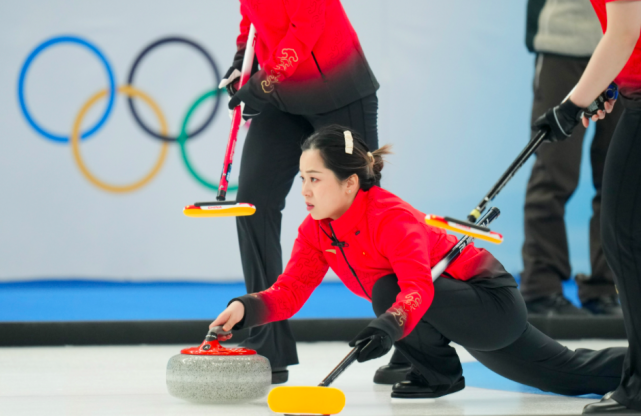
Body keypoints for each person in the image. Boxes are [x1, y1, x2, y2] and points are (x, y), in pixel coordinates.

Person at [211, 126, 626, 399]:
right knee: (569, 376)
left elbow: (416, 289)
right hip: (452, 309)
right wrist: (245, 310)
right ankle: (438, 373)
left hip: (488, 302)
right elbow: (290, 291)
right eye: (302, 178)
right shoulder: (317, 229)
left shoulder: (390, 218)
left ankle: (436, 372)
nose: (305, 190)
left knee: (387, 291)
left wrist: (387, 327)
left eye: (314, 178)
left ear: (350, 182)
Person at [220, 0, 380, 384]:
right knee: (251, 206)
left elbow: (309, 21)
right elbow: (252, 18)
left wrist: (266, 79)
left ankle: (418, 343)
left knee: (367, 219)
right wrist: (243, 63)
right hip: (284, 95)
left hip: (338, 90)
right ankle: (267, 346)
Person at [532, 0, 641, 413]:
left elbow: (625, 31)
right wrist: (611, 83)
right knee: (625, 236)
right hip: (633, 88)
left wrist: (571, 105)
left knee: (624, 238)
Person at [522, 0, 624, 316]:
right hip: (564, 47)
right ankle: (541, 286)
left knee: (618, 179)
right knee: (554, 171)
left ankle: (607, 287)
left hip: (624, 49)